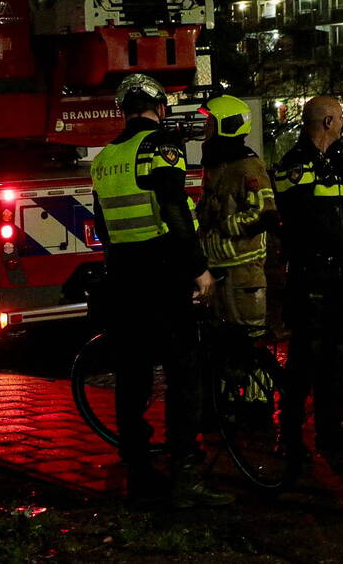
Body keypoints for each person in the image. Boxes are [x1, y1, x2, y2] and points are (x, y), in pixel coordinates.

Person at [90, 73, 233, 508]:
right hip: (162, 274)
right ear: (160, 109)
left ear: (123, 111)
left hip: (123, 280)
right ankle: (184, 476)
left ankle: (137, 472)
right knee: (182, 374)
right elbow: (175, 209)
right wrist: (199, 269)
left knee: (132, 378)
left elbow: (103, 228)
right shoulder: (162, 146)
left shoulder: (105, 158)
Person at [273, 95, 343, 459]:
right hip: (311, 275)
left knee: (337, 358)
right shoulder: (296, 165)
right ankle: (291, 435)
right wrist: (340, 241)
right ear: (327, 121)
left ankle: (330, 432)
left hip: (337, 275)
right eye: (340, 117)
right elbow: (301, 221)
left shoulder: (336, 163)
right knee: (304, 359)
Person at [197, 94, 279, 337]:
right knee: (222, 346)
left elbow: (264, 214)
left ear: (227, 125)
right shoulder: (216, 165)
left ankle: (261, 377)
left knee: (248, 344)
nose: (205, 129)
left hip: (243, 273)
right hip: (217, 271)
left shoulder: (248, 165)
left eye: (210, 123)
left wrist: (223, 223)